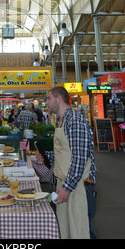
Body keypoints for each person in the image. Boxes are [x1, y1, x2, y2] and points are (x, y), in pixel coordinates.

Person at [42, 86, 97, 239]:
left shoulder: (75, 120)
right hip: (65, 186)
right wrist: (47, 157)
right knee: (67, 231)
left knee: (82, 232)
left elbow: (79, 158)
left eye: (49, 98)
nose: (46, 102)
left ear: (59, 98)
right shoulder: (60, 121)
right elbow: (65, 152)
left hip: (78, 187)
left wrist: (67, 187)